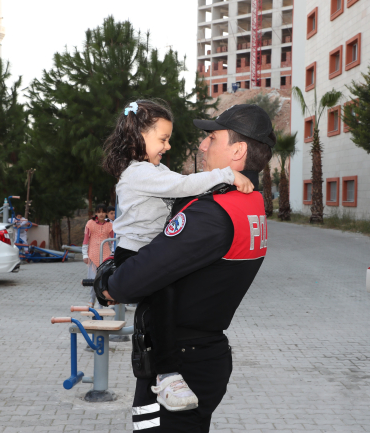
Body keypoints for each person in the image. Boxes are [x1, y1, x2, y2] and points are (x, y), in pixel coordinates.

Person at [96, 103, 273, 430]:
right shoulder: (250, 202)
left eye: (212, 137)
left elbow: (131, 282)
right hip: (202, 354)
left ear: (238, 150)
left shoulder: (212, 214)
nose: (202, 145)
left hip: (181, 363)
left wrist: (108, 278)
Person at [82, 204, 114, 308]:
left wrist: (113, 254)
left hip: (105, 255)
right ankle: (92, 299)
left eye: (103, 212)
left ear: (106, 213)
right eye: (99, 212)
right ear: (96, 213)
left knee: (103, 278)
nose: (101, 214)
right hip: (92, 255)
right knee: (92, 279)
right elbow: (86, 240)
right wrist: (85, 255)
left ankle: (102, 301)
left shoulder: (110, 225)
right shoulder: (90, 223)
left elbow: (113, 241)